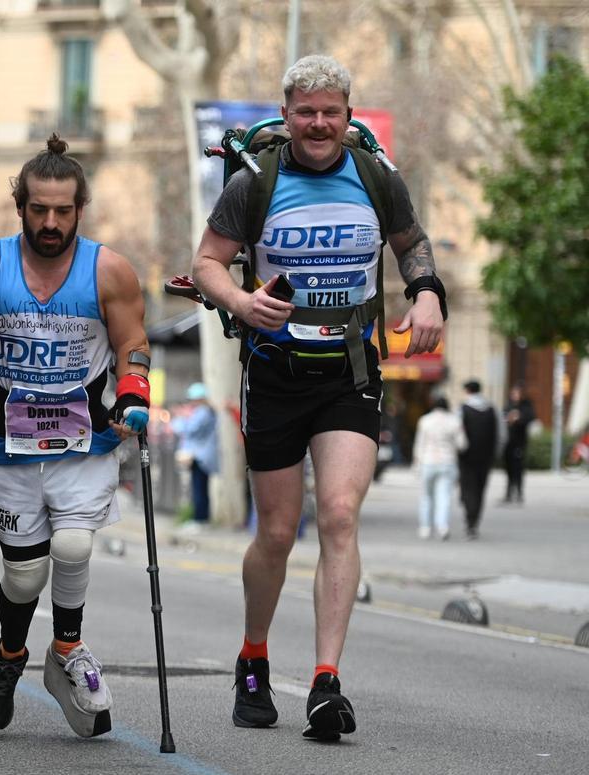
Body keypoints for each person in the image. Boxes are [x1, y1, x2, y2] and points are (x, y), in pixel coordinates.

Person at [190, 55, 446, 740]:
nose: (319, 123)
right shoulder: (257, 183)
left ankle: (326, 681)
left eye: (331, 110)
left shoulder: (374, 176)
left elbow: (411, 244)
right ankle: (252, 656)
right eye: (307, 111)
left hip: (349, 367)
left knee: (337, 512)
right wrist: (243, 300)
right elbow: (205, 262)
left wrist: (425, 292)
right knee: (276, 531)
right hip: (273, 368)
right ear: (289, 113)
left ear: (348, 114)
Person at [0, 134, 151, 739]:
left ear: (81, 209)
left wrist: (134, 393)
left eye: (63, 211)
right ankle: (6, 656)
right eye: (38, 210)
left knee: (76, 548)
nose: (50, 223)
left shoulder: (109, 270)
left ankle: (66, 652)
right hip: (9, 439)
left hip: (86, 438)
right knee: (25, 577)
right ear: (19, 206)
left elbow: (133, 344)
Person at [412, 396, 466, 540]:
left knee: (426, 497)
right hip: (447, 462)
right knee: (444, 496)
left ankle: (425, 528)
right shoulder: (454, 421)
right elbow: (462, 444)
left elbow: (419, 445)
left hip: (427, 462)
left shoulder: (425, 421)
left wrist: (416, 463)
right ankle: (442, 527)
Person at [172, 382, 219, 527]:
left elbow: (188, 429)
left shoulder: (203, 412)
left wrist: (181, 417)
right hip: (199, 456)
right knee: (198, 487)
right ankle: (200, 518)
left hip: (200, 457)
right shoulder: (203, 411)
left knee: (199, 488)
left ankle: (201, 520)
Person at [458, 379, 498, 538]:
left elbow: (457, 433)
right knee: (481, 488)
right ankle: (474, 521)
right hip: (486, 456)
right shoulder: (491, 409)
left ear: (467, 390)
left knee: (468, 488)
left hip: (466, 457)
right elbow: (501, 434)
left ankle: (469, 518)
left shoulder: (463, 409)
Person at [501, 384, 535, 504]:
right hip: (508, 442)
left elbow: (531, 417)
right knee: (509, 469)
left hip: (519, 442)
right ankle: (508, 493)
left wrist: (519, 418)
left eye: (517, 394)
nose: (514, 396)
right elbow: (503, 416)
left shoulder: (526, 405)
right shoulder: (508, 405)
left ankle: (519, 493)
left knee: (518, 469)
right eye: (513, 394)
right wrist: (508, 419)